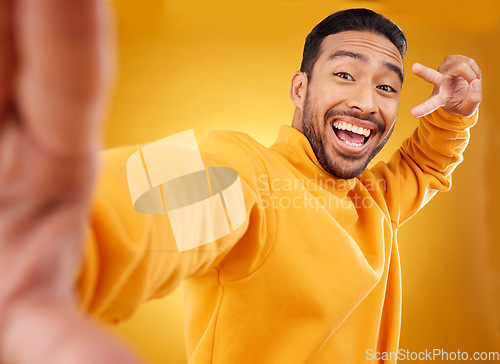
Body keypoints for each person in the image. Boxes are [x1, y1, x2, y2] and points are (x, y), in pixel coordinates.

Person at [0, 2, 481, 364]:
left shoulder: (374, 199)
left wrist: (456, 115)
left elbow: (422, 168)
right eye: (344, 74)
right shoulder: (248, 171)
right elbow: (171, 200)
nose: (366, 102)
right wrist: (74, 236)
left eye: (386, 87)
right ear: (300, 88)